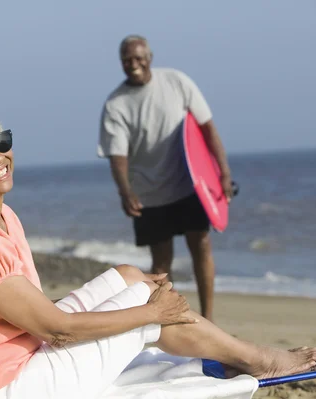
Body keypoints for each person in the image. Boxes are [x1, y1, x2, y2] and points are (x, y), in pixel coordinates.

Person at [0, 99, 316, 399]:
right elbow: (54, 329)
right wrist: (149, 313)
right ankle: (256, 358)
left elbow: (33, 311)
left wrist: (125, 302)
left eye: (0, 141)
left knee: (129, 275)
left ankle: (227, 348)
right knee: (148, 304)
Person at [98, 34, 231, 321]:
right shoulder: (116, 104)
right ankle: (165, 319)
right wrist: (125, 191)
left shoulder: (176, 82)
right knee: (160, 263)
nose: (133, 64)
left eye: (138, 58)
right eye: (126, 59)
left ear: (149, 58)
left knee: (201, 246)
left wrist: (222, 173)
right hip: (148, 193)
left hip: (189, 184)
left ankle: (208, 317)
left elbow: (207, 129)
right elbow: (117, 156)